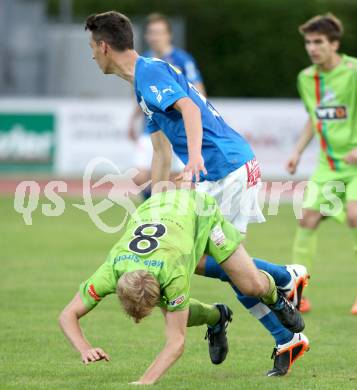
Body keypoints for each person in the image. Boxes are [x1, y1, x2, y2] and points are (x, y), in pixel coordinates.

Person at [84, 11, 310, 376]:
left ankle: (285, 293)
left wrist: (190, 163)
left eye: (92, 48)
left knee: (225, 266)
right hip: (222, 169)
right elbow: (159, 151)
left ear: (104, 46)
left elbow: (189, 108)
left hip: (225, 170)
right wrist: (155, 204)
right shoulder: (143, 81)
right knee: (215, 263)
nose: (91, 55)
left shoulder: (151, 73)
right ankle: (283, 297)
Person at [59, 189, 307, 385]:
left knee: (250, 285)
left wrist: (145, 381)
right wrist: (85, 348)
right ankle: (218, 317)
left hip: (200, 214)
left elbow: (176, 343)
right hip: (158, 209)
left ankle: (277, 298)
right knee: (177, 312)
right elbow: (67, 315)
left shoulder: (173, 274)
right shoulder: (111, 270)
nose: (137, 322)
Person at [286, 13, 357, 314]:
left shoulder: (353, 72)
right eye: (308, 43)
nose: (312, 48)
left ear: (335, 44)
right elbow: (314, 119)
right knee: (307, 219)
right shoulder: (306, 78)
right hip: (328, 165)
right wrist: (298, 151)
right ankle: (296, 294)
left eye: (318, 42)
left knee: (355, 216)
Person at [127, 13, 205, 195]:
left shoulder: (182, 60)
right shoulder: (143, 61)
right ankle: (154, 210)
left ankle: (167, 214)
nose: (155, 37)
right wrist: (132, 120)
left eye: (159, 32)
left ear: (168, 35)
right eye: (152, 33)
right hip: (152, 127)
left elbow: (199, 92)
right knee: (139, 176)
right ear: (147, 36)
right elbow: (141, 96)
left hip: (177, 127)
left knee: (176, 178)